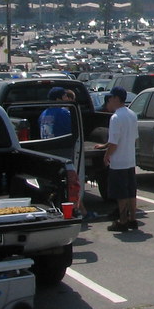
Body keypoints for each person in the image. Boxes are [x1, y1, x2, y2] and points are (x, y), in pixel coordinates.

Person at [41, 87, 94, 219]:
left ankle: (75, 210)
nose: (67, 99)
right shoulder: (64, 113)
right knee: (72, 185)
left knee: (55, 186)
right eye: (65, 97)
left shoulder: (43, 114)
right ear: (58, 99)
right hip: (63, 153)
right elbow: (75, 132)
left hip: (48, 154)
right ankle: (78, 211)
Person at [96, 86, 140, 232]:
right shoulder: (132, 114)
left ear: (116, 99)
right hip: (130, 159)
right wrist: (105, 145)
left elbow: (115, 142)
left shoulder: (115, 117)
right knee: (130, 191)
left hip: (119, 162)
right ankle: (133, 219)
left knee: (121, 194)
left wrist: (107, 154)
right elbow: (131, 137)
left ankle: (122, 221)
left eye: (111, 98)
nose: (109, 100)